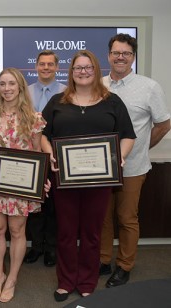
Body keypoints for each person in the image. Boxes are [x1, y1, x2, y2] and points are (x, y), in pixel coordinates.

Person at [41, 50, 135, 302]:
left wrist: (121, 156)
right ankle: (66, 281)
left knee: (92, 233)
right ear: (71, 73)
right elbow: (42, 135)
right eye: (78, 68)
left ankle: (86, 281)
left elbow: (127, 135)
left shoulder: (112, 102)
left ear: (96, 70)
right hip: (65, 179)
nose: (83, 72)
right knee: (66, 232)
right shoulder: (58, 102)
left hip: (100, 181)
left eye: (88, 67)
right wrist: (49, 153)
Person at [100, 34, 171, 287]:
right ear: (108, 55)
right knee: (103, 217)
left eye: (126, 53)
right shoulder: (98, 85)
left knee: (127, 218)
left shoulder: (149, 87)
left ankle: (124, 265)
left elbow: (164, 124)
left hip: (133, 167)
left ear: (133, 57)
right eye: (116, 52)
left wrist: (141, 148)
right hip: (100, 169)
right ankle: (103, 259)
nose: (120, 57)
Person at [0, 68, 46, 303]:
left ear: (20, 86)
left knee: (18, 231)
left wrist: (42, 181)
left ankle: (12, 278)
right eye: (2, 84)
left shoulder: (33, 117)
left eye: (11, 84)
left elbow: (38, 153)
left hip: (21, 186)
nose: (6, 88)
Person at [24, 50, 66, 267]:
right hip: (31, 156)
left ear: (57, 67)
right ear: (36, 66)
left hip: (56, 158)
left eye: (51, 64)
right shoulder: (26, 92)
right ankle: (36, 246)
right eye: (42, 64)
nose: (46, 68)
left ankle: (51, 248)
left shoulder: (67, 93)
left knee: (53, 206)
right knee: (34, 203)